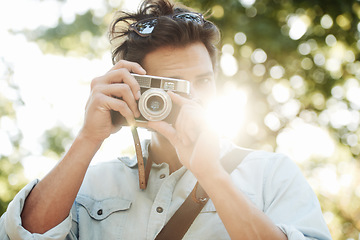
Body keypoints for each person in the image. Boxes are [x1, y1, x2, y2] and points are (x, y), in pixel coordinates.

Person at [0, 0, 332, 239]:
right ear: (133, 86)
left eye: (202, 82)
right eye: (169, 88)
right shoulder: (91, 184)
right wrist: (88, 138)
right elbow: (21, 235)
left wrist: (211, 174)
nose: (191, 99)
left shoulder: (272, 175)